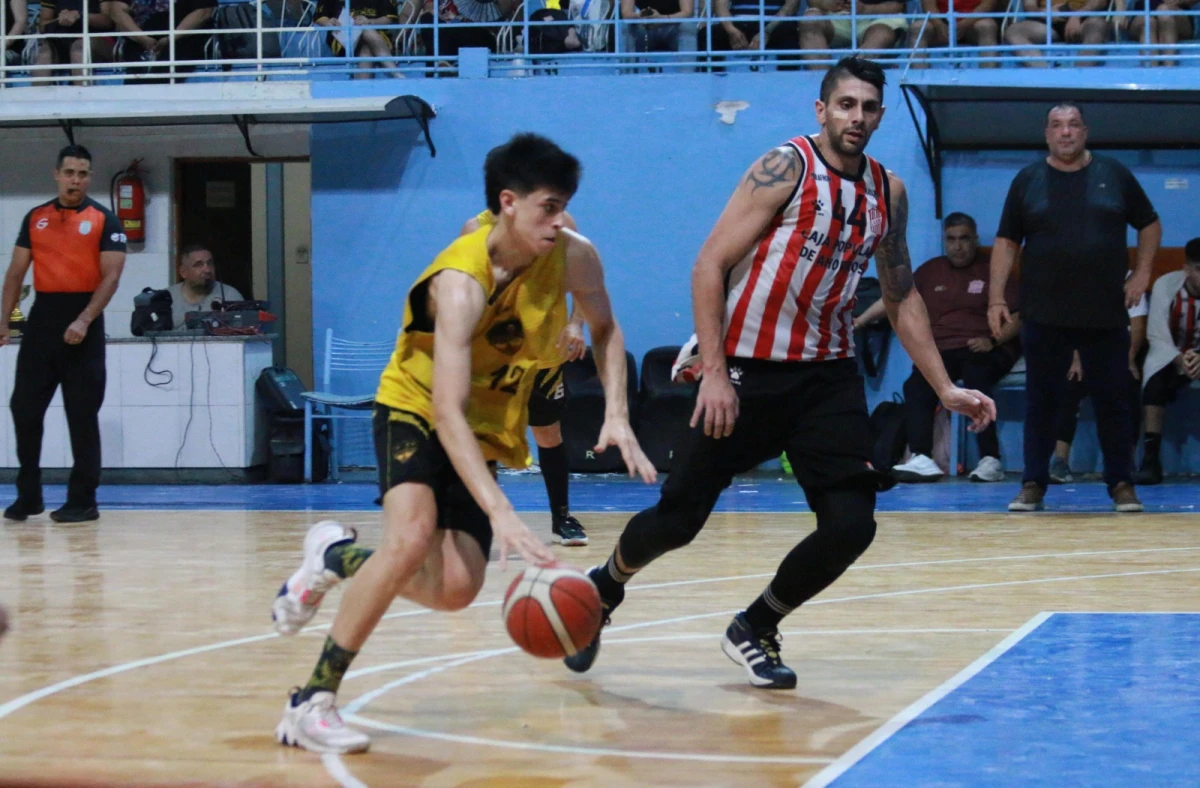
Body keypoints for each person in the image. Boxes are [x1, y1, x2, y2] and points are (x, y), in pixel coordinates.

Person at [562, 57, 995, 689]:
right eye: (845, 104)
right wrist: (713, 371)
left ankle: (755, 625)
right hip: (745, 369)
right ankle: (605, 587)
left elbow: (900, 296)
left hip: (825, 375)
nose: (858, 117)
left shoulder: (887, 191)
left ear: (880, 115)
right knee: (679, 521)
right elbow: (709, 264)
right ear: (821, 111)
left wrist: (945, 386)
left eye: (869, 107)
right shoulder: (785, 167)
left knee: (852, 524)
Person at [269, 133, 657, 754]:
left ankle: (335, 559)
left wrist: (618, 412)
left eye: (565, 207)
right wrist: (502, 511)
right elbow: (445, 411)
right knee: (409, 540)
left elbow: (606, 327)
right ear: (508, 202)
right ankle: (311, 702)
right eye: (548, 208)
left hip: (485, 427)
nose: (560, 222)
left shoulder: (575, 257)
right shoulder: (460, 281)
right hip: (418, 407)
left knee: (453, 589)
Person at [989, 103, 1160, 513]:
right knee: (1041, 404)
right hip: (1043, 316)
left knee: (1114, 403)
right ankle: (1033, 484)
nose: (1065, 132)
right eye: (1056, 126)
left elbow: (1149, 224)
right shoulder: (1028, 180)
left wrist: (1141, 275)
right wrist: (996, 298)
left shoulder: (1114, 174)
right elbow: (1007, 242)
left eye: (1073, 125)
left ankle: (1121, 484)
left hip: (1104, 315)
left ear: (1085, 131)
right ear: (1046, 134)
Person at [1, 144, 127, 523]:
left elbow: (112, 277)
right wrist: (3, 321)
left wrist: (85, 319)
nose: (76, 180)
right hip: (43, 319)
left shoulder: (105, 220)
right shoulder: (35, 217)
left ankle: (83, 500)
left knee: (81, 415)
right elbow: (15, 274)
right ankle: (29, 496)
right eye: (69, 172)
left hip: (84, 320)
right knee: (23, 407)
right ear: (56, 174)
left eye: (83, 173)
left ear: (90, 178)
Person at [857, 211, 1020, 483]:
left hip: (985, 347)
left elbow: (1019, 316)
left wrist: (993, 340)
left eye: (965, 238)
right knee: (917, 384)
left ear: (975, 239)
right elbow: (895, 298)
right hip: (943, 349)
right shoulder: (931, 271)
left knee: (976, 377)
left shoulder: (993, 269)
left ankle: (990, 459)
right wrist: (860, 320)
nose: (958, 246)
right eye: (951, 239)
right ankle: (922, 457)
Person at [460, 209, 590, 546]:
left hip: (545, 353)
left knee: (548, 433)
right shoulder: (475, 230)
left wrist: (576, 323)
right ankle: (480, 520)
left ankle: (562, 517)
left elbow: (583, 279)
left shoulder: (561, 224)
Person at [1049, 270, 1147, 484]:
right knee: (1070, 383)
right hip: (1086, 353)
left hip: (1119, 353)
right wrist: (1076, 357)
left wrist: (1128, 358)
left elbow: (1138, 327)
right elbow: (1073, 327)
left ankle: (1124, 462)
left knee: (1129, 387)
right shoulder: (1084, 278)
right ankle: (1060, 461)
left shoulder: (1132, 280)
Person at [1134, 239, 1200, 484]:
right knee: (1154, 383)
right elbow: (1157, 334)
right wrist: (1180, 359)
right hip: (1171, 356)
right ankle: (1151, 460)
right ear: (1187, 270)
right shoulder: (1166, 285)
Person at [166, 243, 244, 328]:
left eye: (210, 263)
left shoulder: (230, 296)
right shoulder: (166, 298)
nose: (207, 270)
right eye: (198, 265)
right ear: (183, 272)